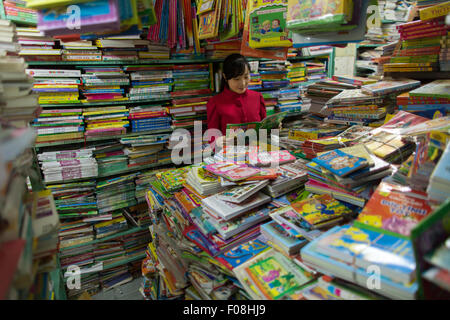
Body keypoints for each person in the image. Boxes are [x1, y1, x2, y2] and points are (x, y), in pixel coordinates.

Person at [206, 54, 266, 150]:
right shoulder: (215, 102)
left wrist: (273, 128)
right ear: (226, 77)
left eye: (246, 77)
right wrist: (217, 141)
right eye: (236, 79)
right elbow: (212, 138)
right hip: (230, 157)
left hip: (257, 153)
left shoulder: (257, 97)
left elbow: (264, 128)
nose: (242, 83)